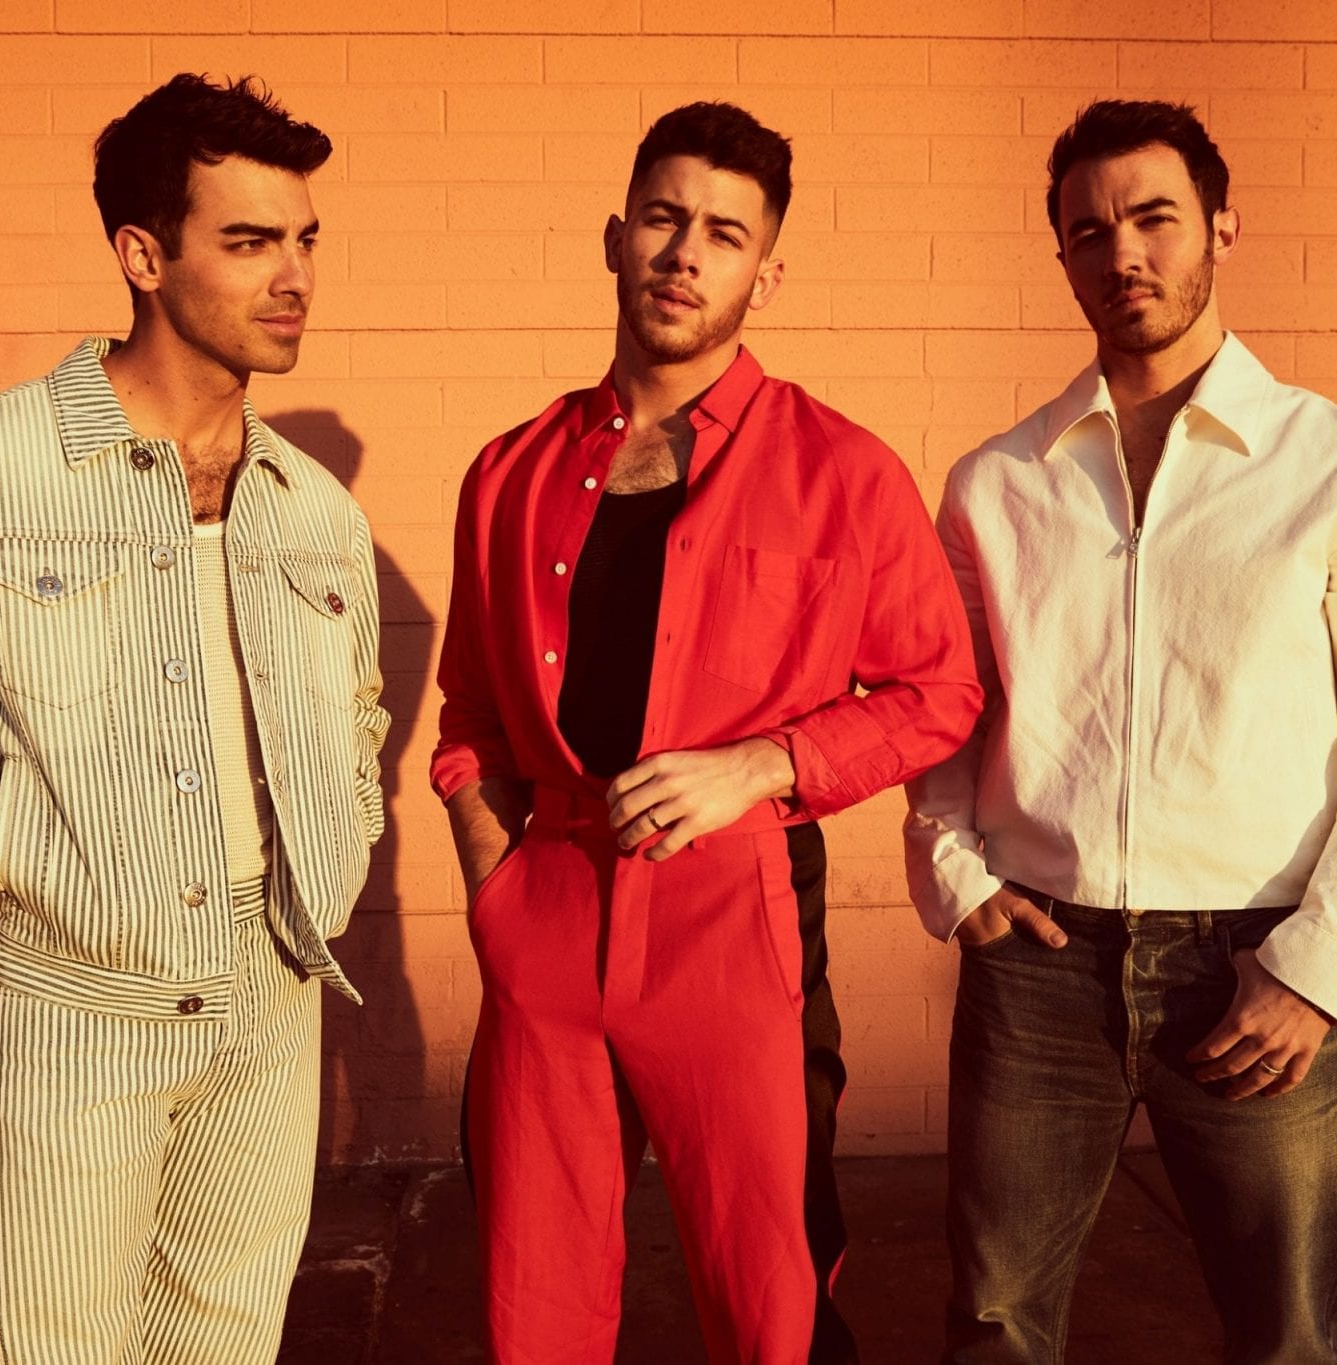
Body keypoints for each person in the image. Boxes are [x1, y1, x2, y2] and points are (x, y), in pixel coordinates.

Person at [0, 74, 387, 1362]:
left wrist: (342, 839)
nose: (293, 278)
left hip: (274, 992)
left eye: (305, 240)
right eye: (249, 242)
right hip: (73, 994)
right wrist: (7, 835)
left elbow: (358, 714)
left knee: (225, 1343)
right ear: (142, 255)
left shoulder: (314, 510)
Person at [905, 100, 1337, 1363]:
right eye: (1086, 232)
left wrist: (1317, 969)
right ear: (1060, 256)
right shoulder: (997, 481)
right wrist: (952, 872)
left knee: (1285, 1338)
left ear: (1221, 227)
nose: (1122, 254)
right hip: (1039, 965)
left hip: (1255, 962)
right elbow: (944, 704)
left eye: (1153, 218)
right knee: (994, 1327)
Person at [432, 101, 982, 1364]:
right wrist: (493, 878)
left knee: (767, 1291)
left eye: (724, 235)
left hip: (737, 912)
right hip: (545, 903)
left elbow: (936, 691)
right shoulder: (508, 470)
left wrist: (766, 764)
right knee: (532, 1289)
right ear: (615, 237)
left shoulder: (843, 471)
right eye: (664, 220)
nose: (685, 254)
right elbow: (470, 710)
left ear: (763, 275)